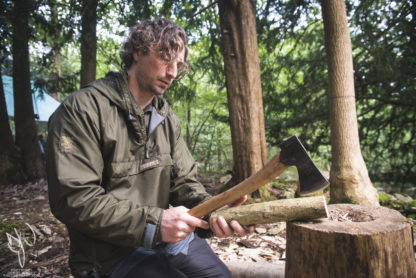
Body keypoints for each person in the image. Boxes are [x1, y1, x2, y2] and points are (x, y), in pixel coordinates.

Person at [46, 17, 253, 278]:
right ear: (137, 51)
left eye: (178, 65)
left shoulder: (166, 118)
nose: (173, 73)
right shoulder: (81, 111)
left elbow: (184, 184)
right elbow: (73, 199)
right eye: (166, 59)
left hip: (164, 239)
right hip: (107, 256)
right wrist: (154, 223)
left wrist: (213, 212)